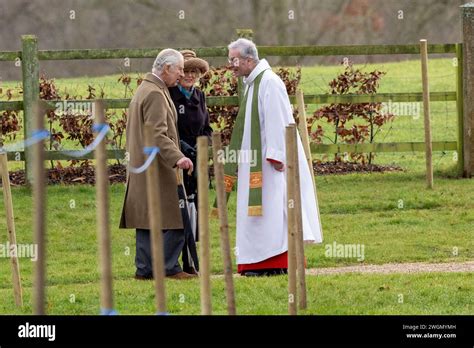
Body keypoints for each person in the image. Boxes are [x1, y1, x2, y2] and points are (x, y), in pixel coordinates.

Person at [225, 38, 323, 277]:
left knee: (274, 210)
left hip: (271, 164)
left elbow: (280, 121)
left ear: (249, 59)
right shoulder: (252, 83)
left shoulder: (269, 82)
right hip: (254, 161)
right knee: (259, 213)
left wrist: (277, 155)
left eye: (234, 60)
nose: (231, 65)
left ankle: (275, 261)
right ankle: (257, 262)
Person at [119, 48, 197, 280]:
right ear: (166, 68)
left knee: (146, 220)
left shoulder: (145, 89)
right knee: (177, 215)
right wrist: (178, 157)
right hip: (158, 167)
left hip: (143, 165)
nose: (182, 74)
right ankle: (168, 268)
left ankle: (144, 270)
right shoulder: (155, 94)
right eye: (180, 69)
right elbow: (157, 134)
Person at [168, 50, 212, 274]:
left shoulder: (200, 96)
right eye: (187, 70)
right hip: (177, 159)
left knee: (196, 209)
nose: (191, 75)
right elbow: (169, 129)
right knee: (180, 208)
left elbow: (207, 128)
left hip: (198, 160)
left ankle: (192, 260)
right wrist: (183, 150)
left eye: (195, 71)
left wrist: (204, 148)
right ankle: (176, 260)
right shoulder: (169, 95)